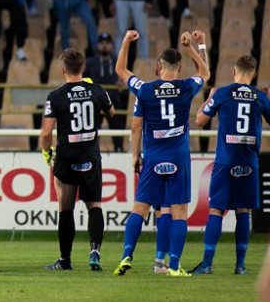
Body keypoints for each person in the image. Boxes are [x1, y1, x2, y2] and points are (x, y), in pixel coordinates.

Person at [113, 29, 209, 277]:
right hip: (178, 155)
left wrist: (126, 42)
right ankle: (174, 266)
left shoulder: (145, 89)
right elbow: (205, 73)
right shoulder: (186, 87)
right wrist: (192, 48)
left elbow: (121, 72)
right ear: (179, 68)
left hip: (153, 155)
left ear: (158, 66)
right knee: (179, 212)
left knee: (140, 208)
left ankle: (126, 256)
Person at [191, 55, 270, 275]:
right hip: (250, 162)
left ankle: (207, 264)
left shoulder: (223, 93)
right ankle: (240, 266)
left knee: (216, 210)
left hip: (226, 161)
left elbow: (199, 120)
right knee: (243, 211)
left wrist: (210, 97)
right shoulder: (259, 96)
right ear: (254, 74)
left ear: (234, 71)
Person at [40, 48, 115, 271]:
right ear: (83, 67)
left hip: (66, 157)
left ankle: (65, 259)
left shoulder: (55, 96)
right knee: (94, 205)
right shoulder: (97, 90)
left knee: (66, 208)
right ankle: (95, 253)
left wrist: (46, 152)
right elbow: (111, 113)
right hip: (90, 156)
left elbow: (46, 133)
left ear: (63, 69)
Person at [84, 33, 127, 151]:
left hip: (113, 100)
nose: (104, 46)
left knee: (117, 129)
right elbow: (83, 78)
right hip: (95, 102)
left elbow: (125, 78)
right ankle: (89, 152)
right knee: (91, 132)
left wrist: (122, 83)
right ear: (98, 45)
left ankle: (119, 149)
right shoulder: (90, 62)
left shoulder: (117, 62)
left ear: (111, 45)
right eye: (102, 43)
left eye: (107, 43)